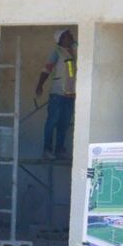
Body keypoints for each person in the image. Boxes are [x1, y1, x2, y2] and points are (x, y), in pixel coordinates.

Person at [34, 29, 77, 161]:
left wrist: (74, 45)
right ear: (61, 39)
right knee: (52, 121)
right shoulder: (57, 51)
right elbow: (47, 68)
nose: (71, 37)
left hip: (70, 95)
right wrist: (40, 85)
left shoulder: (74, 51)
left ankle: (59, 150)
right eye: (67, 36)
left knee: (64, 124)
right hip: (57, 94)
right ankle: (47, 150)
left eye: (71, 36)